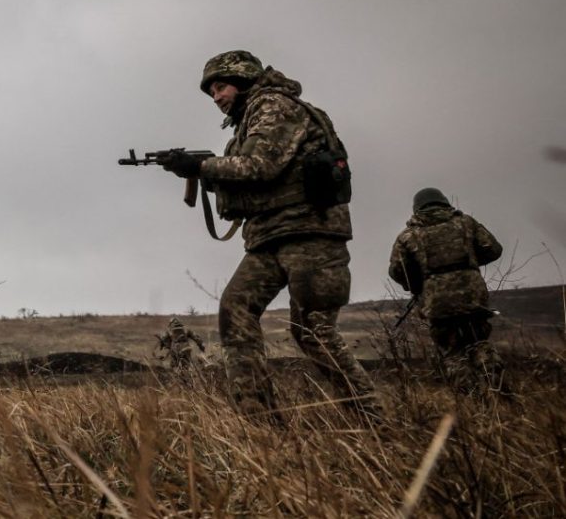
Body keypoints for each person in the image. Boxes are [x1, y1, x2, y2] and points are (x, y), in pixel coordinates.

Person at [158, 50, 378, 420]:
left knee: (313, 330)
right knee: (235, 309)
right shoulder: (247, 121)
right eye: (211, 92)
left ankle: (374, 419)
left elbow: (261, 166)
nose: (217, 97)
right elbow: (249, 182)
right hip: (270, 236)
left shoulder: (274, 106)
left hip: (309, 232)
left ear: (243, 81)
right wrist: (202, 173)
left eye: (221, 87)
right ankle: (258, 421)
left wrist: (199, 165)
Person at [388, 188, 506, 395]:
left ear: (417, 209)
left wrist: (418, 283)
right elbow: (493, 249)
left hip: (438, 303)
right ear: (444, 202)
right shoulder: (466, 223)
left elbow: (398, 271)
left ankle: (472, 400)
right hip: (473, 298)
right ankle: (498, 391)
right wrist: (470, 264)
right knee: (480, 342)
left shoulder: (408, 236)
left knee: (453, 352)